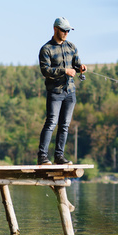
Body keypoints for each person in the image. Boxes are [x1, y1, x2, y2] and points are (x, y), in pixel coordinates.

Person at [37, 17, 87, 165]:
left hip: (70, 92)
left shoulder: (71, 47)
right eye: (63, 30)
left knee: (64, 125)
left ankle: (59, 157)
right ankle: (42, 157)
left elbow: (76, 65)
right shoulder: (46, 49)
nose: (66, 33)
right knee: (51, 123)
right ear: (55, 29)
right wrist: (64, 71)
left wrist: (81, 68)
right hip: (55, 92)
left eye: (68, 31)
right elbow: (45, 71)